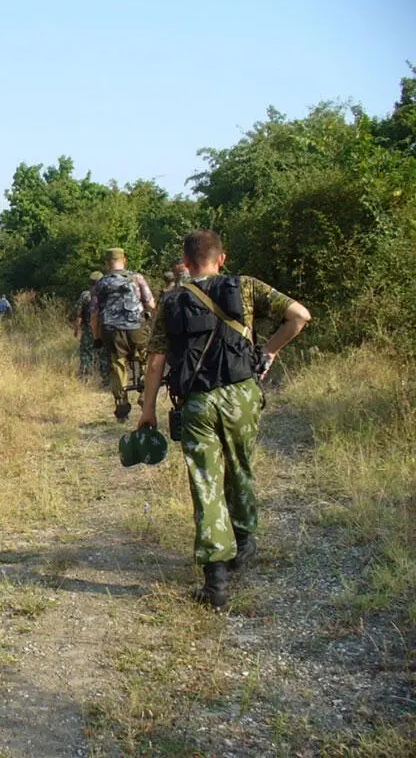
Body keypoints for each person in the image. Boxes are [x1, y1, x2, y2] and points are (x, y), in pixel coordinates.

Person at [137, 230, 311, 610]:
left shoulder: (171, 300)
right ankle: (245, 542)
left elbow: (155, 363)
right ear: (222, 258)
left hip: (196, 401)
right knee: (240, 466)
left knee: (205, 481)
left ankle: (215, 581)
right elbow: (299, 316)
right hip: (241, 395)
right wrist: (269, 351)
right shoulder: (245, 287)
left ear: (185, 263)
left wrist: (147, 410)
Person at [91, 248, 156, 420]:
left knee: (117, 364)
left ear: (107, 263)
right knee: (144, 359)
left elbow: (95, 315)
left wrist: (97, 337)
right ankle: (144, 393)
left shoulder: (101, 284)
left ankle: (122, 405)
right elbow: (150, 303)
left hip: (111, 330)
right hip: (136, 328)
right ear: (124, 260)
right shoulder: (137, 278)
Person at [75, 272, 104, 379]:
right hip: (104, 329)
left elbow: (79, 314)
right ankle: (105, 379)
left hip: (89, 329)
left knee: (86, 352)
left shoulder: (85, 295)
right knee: (103, 354)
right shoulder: (107, 294)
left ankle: (84, 375)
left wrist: (76, 329)